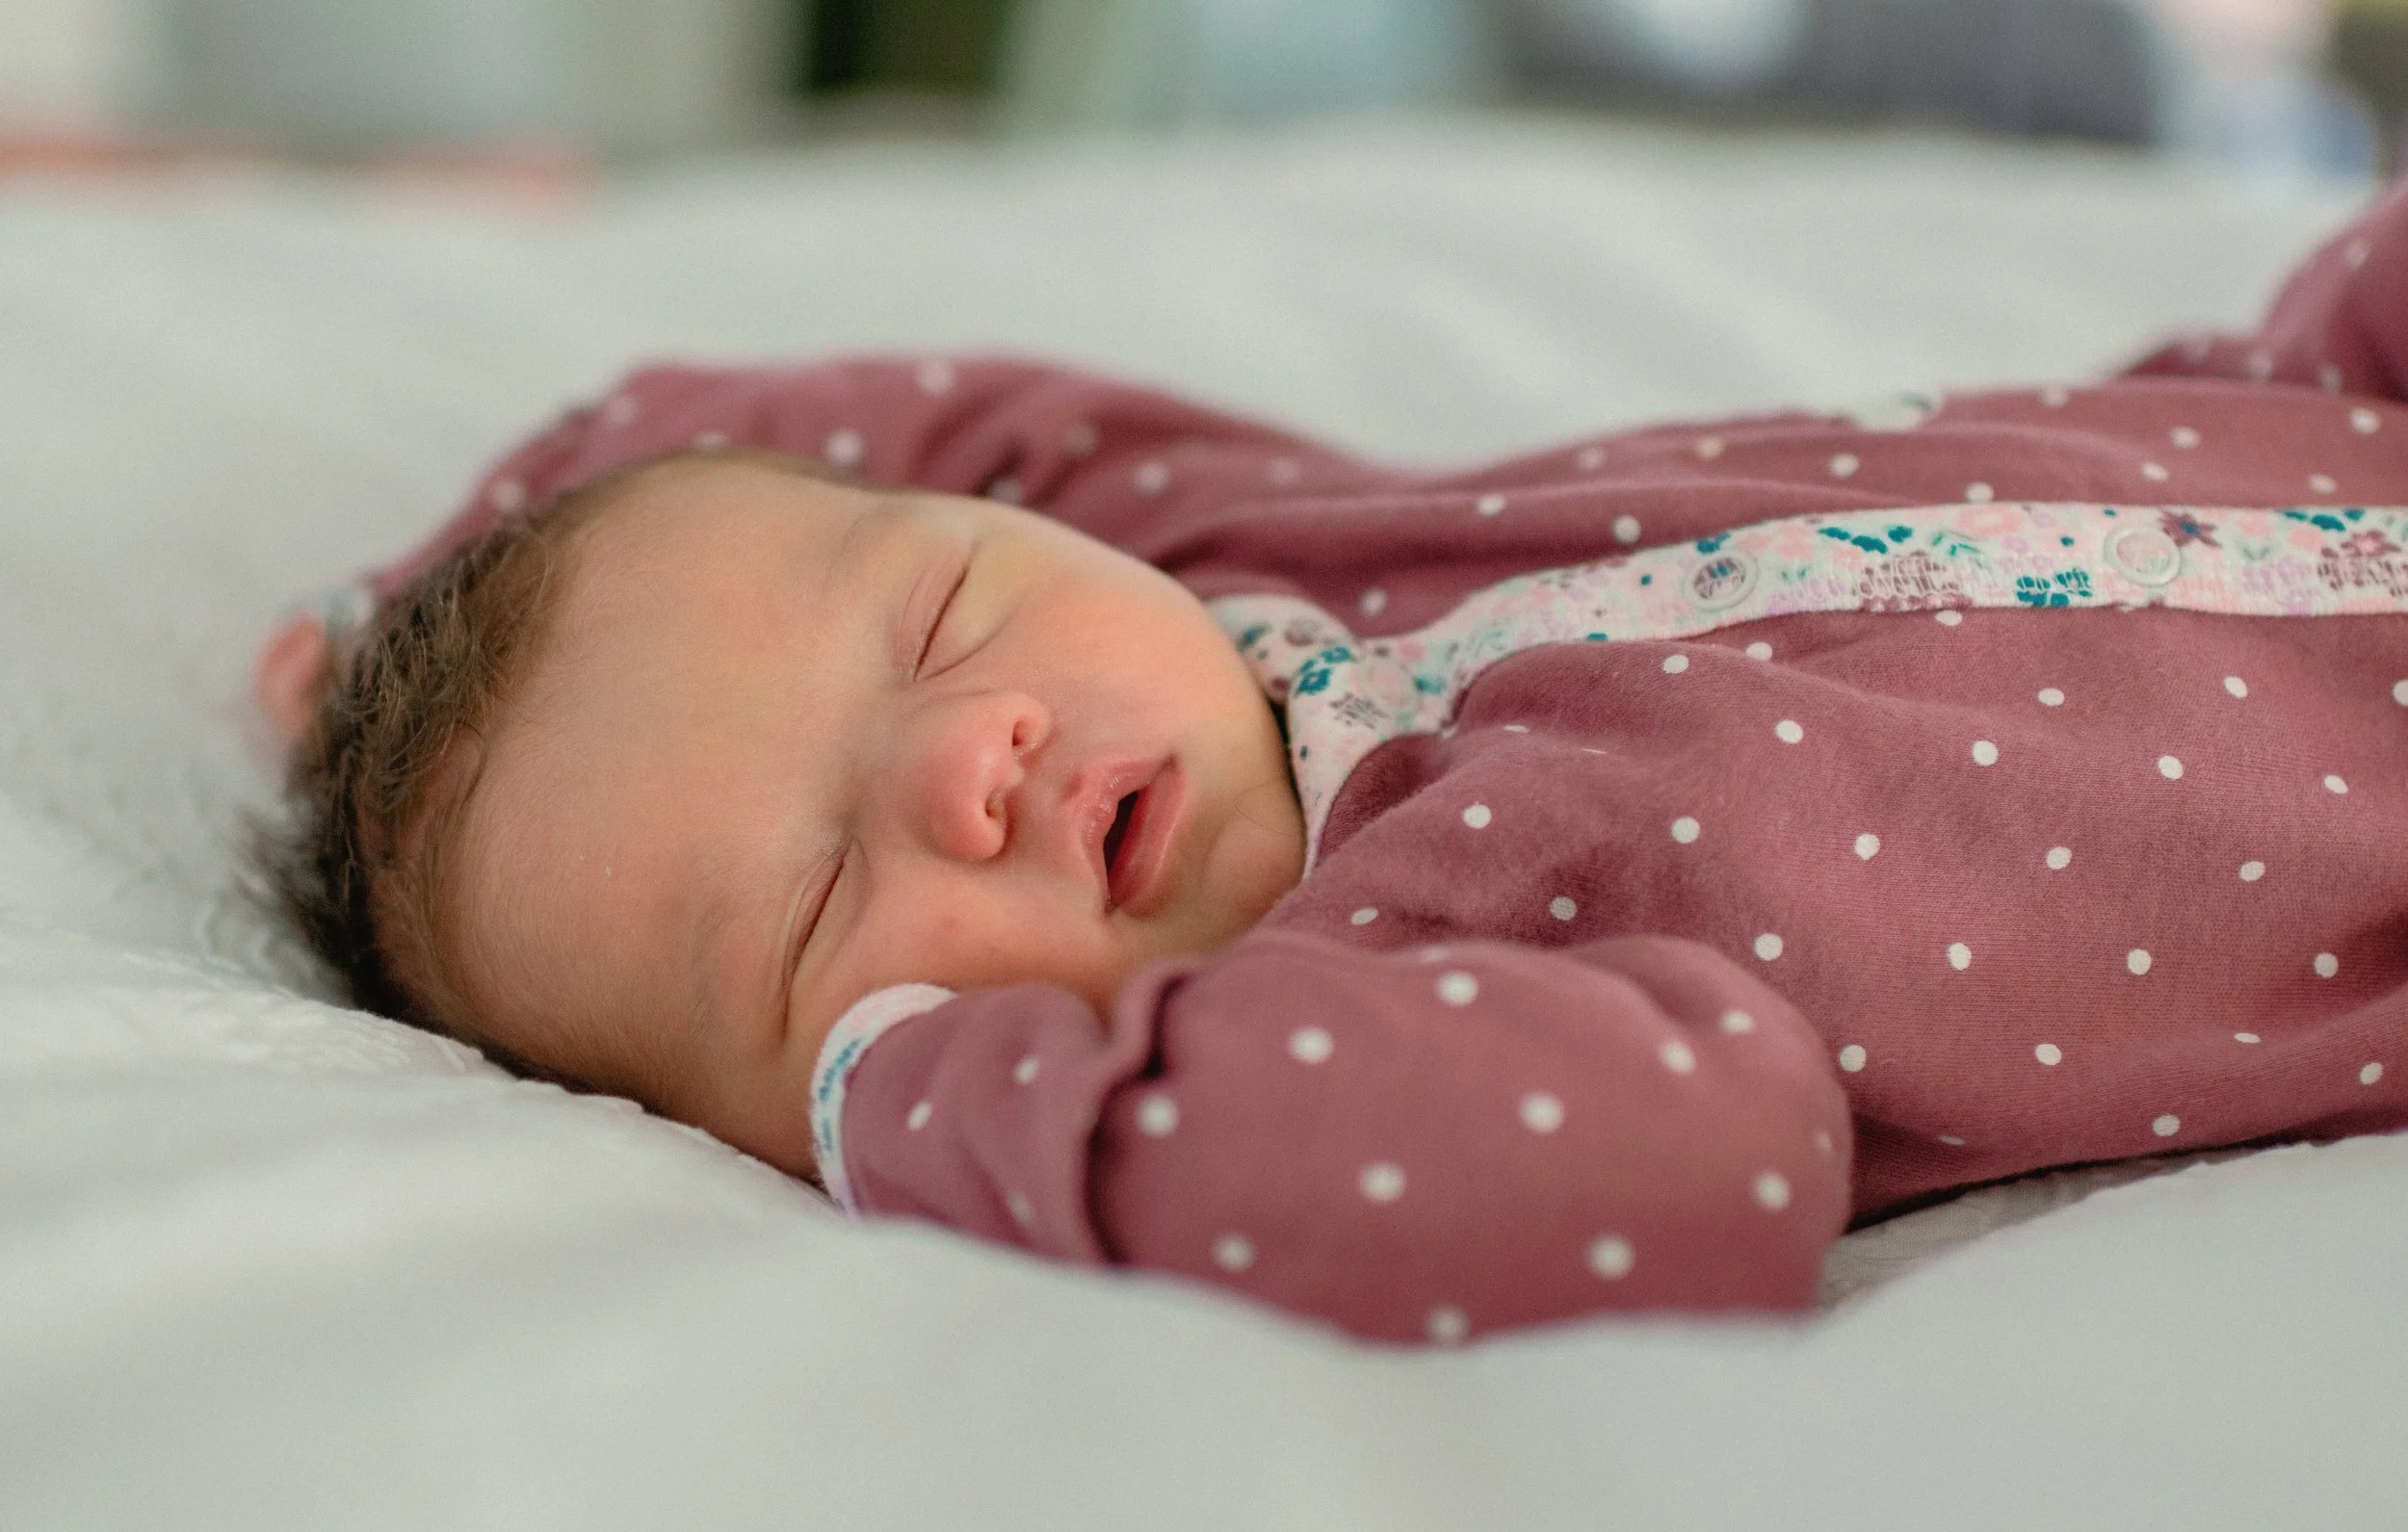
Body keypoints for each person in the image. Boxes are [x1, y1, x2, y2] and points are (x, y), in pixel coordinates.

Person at [257, 179, 2408, 1347]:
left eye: (931, 618)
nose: (964, 761)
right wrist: (909, 1104)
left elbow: (869, 432)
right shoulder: (1365, 998)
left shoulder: (1209, 539)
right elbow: (1698, 1166)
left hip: (2331, 389)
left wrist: (422, 601)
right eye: (821, 905)